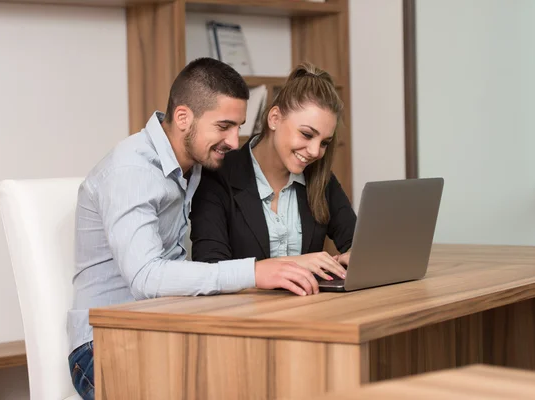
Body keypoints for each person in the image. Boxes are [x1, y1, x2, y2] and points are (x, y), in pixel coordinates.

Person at [66, 58, 319, 400]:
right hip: (104, 346)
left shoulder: (196, 164)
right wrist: (254, 272)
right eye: (224, 126)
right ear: (184, 117)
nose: (233, 141)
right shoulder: (131, 171)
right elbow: (146, 277)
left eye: (239, 127)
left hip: (165, 328)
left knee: (281, 372)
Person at [189, 62, 357, 282]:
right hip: (241, 313)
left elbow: (357, 243)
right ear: (274, 118)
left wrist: (353, 259)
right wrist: (297, 264)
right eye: (307, 134)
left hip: (311, 312)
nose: (315, 151)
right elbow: (209, 268)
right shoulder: (218, 175)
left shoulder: (320, 178)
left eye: (324, 142)